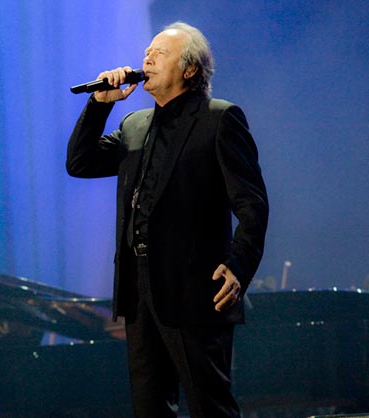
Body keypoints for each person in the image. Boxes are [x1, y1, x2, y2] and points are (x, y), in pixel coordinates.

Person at [66, 22, 268, 418]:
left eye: (160, 52)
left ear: (190, 69)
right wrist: (100, 104)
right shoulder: (134, 125)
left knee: (209, 404)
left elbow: (252, 204)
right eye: (147, 52)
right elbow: (80, 162)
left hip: (196, 287)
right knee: (149, 407)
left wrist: (239, 266)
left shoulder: (218, 119)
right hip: (139, 290)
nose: (147, 58)